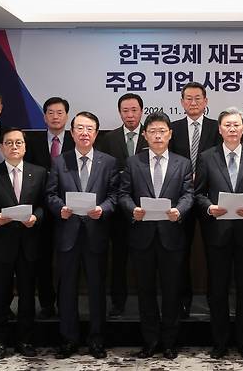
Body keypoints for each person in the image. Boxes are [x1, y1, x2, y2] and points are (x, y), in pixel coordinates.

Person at [194, 107, 243, 359]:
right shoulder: (207, 157)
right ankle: (220, 342)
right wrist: (209, 207)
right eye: (228, 125)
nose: (232, 129)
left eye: (237, 125)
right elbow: (199, 193)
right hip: (218, 233)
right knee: (218, 290)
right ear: (220, 129)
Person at [119, 111, 194, 360]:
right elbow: (123, 195)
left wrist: (179, 210)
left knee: (172, 291)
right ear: (145, 135)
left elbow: (188, 194)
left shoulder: (182, 163)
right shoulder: (133, 162)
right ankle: (150, 341)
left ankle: (170, 342)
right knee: (146, 291)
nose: (158, 135)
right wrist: (133, 210)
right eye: (152, 131)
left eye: (162, 131)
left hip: (171, 235)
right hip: (143, 236)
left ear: (170, 134)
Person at [46, 111, 119, 359]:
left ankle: (97, 340)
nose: (85, 133)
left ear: (96, 133)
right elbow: (50, 194)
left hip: (96, 234)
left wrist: (103, 209)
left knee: (97, 289)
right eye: (80, 128)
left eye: (89, 129)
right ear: (72, 132)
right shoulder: (59, 161)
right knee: (66, 290)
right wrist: (60, 209)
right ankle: (68, 339)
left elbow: (114, 196)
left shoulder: (108, 162)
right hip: (68, 234)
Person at [0, 128, 47, 360]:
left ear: (25, 147)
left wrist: (36, 217)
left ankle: (25, 340)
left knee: (28, 295)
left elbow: (43, 205)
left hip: (28, 242)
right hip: (1, 242)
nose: (14, 146)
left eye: (19, 142)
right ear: (1, 148)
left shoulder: (38, 173)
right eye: (9, 143)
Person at [169, 82, 220, 317]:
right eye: (188, 98)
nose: (193, 103)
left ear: (206, 101)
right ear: (181, 102)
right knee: (180, 251)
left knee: (213, 251)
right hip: (181, 198)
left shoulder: (216, 127)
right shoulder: (173, 128)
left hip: (210, 198)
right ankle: (183, 300)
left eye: (198, 98)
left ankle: (214, 298)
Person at [97, 93, 148, 318]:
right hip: (118, 210)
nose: (130, 115)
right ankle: (118, 303)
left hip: (148, 209)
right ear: (119, 113)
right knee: (118, 259)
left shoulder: (153, 135)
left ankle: (149, 304)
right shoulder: (109, 139)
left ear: (141, 111)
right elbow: (105, 174)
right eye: (125, 111)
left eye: (134, 110)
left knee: (146, 259)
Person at [24, 96, 75, 319]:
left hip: (68, 210)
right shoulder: (32, 142)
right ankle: (46, 302)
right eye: (51, 113)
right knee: (43, 259)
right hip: (40, 210)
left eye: (60, 112)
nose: (55, 117)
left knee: (67, 259)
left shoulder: (76, 141)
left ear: (67, 116)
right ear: (44, 117)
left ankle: (65, 302)